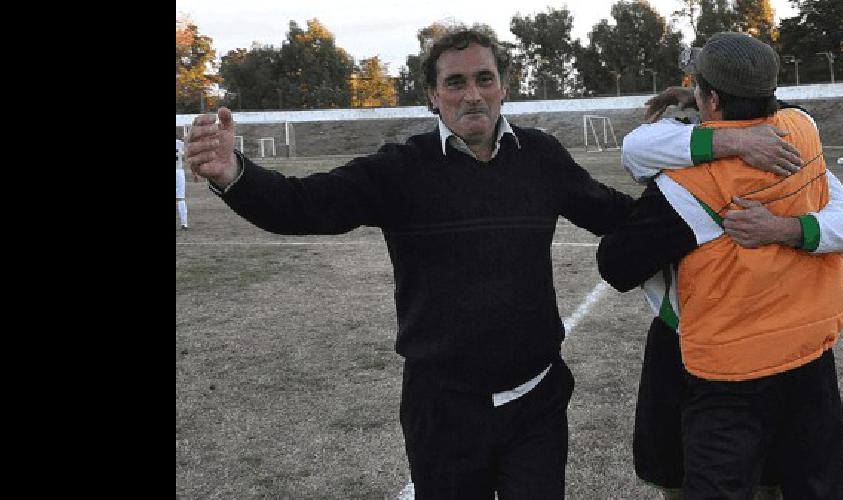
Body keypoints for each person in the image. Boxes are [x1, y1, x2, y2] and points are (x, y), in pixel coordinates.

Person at [182, 27, 802, 499]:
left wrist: (716, 204)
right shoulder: (399, 170)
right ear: (432, 96)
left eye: (483, 78)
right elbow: (302, 205)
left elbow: (619, 217)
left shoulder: (541, 157)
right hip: (442, 409)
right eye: (455, 82)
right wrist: (233, 174)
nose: (471, 93)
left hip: (537, 402)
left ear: (504, 87)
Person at [598, 33, 843, 500]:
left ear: (712, 100)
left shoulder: (691, 184)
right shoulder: (802, 130)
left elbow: (616, 264)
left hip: (731, 371)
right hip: (809, 356)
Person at [176, 137, 189, 230]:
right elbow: (186, 157)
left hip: (179, 171)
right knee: (180, 198)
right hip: (179, 171)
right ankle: (184, 223)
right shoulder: (180, 143)